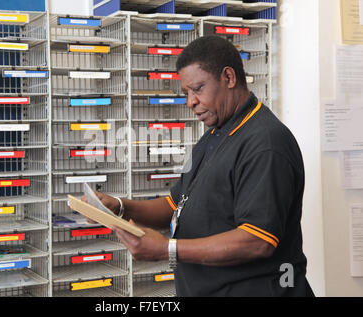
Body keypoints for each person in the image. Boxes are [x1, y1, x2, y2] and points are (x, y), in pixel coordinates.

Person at [81, 35, 314, 297]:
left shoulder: (266, 143)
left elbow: (257, 240)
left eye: (198, 89)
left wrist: (167, 249)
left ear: (228, 78)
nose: (190, 101)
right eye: (186, 93)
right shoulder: (215, 134)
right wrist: (120, 207)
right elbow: (175, 205)